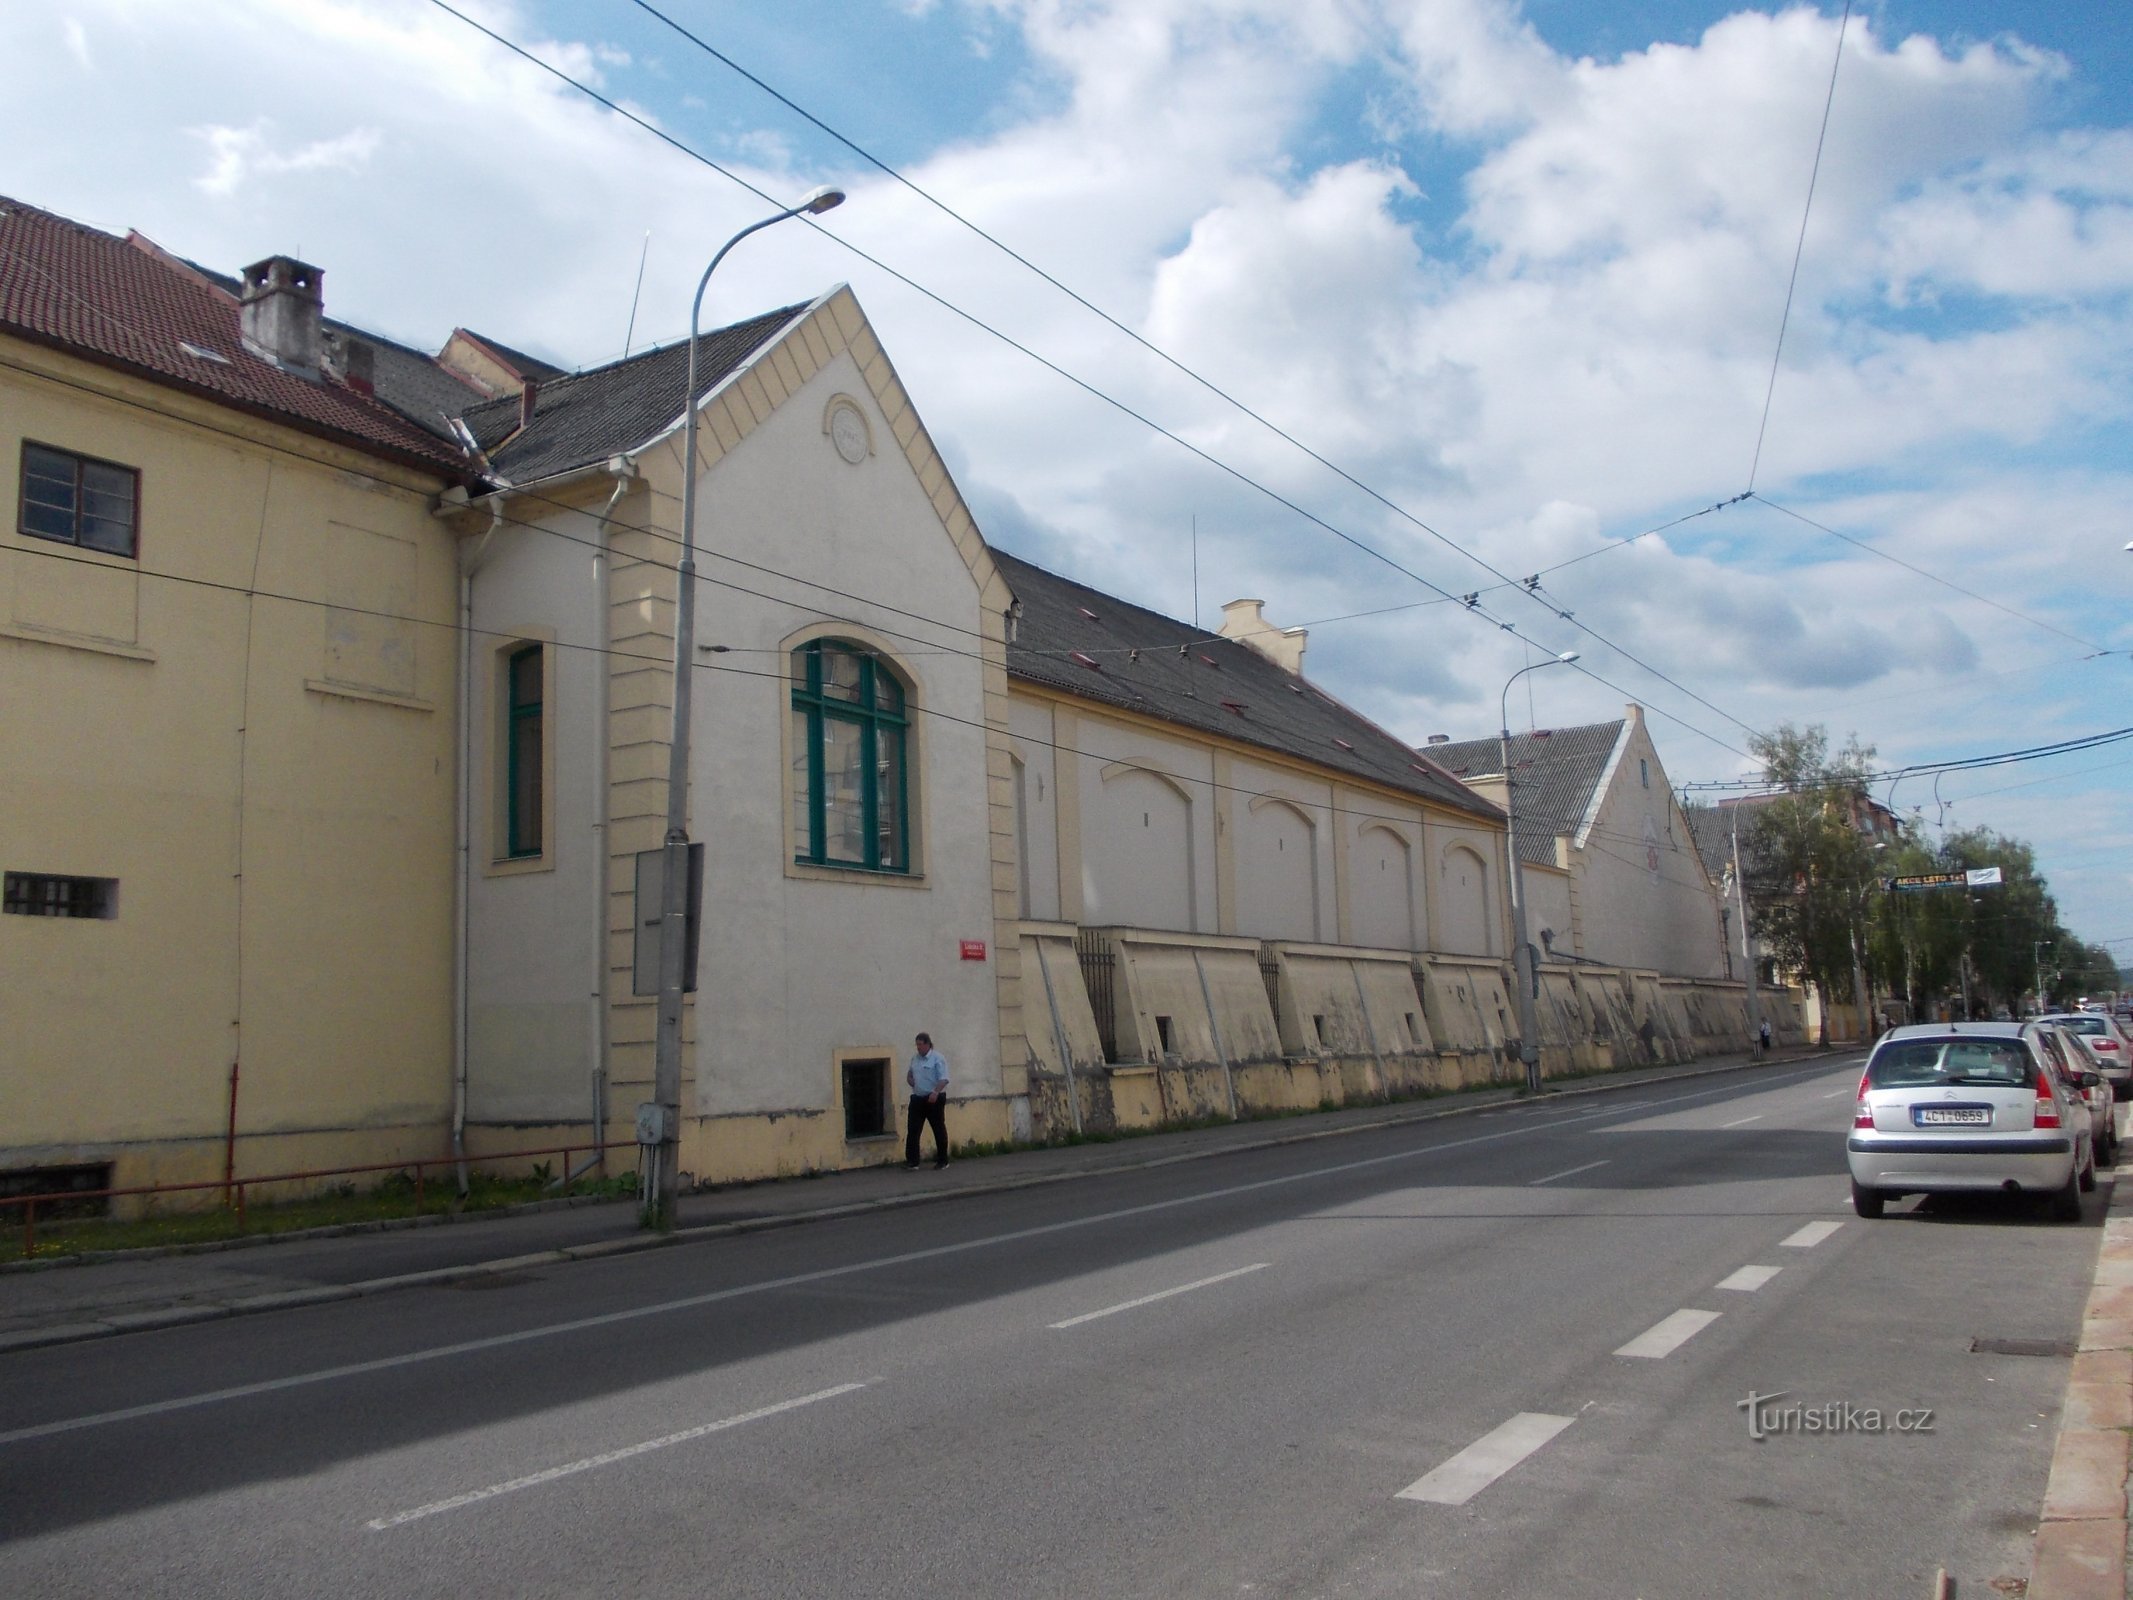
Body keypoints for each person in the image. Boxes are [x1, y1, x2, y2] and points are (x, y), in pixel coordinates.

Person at [904, 1031, 950, 1171]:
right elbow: (910, 1073)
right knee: (913, 1130)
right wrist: (910, 1080)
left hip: (933, 1099)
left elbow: (944, 1079)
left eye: (920, 1044)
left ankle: (942, 1160)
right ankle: (913, 1161)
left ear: (928, 1044)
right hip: (918, 1098)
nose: (918, 1047)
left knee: (938, 1129)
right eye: (916, 1045)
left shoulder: (937, 1058)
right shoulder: (915, 1059)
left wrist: (936, 1092)